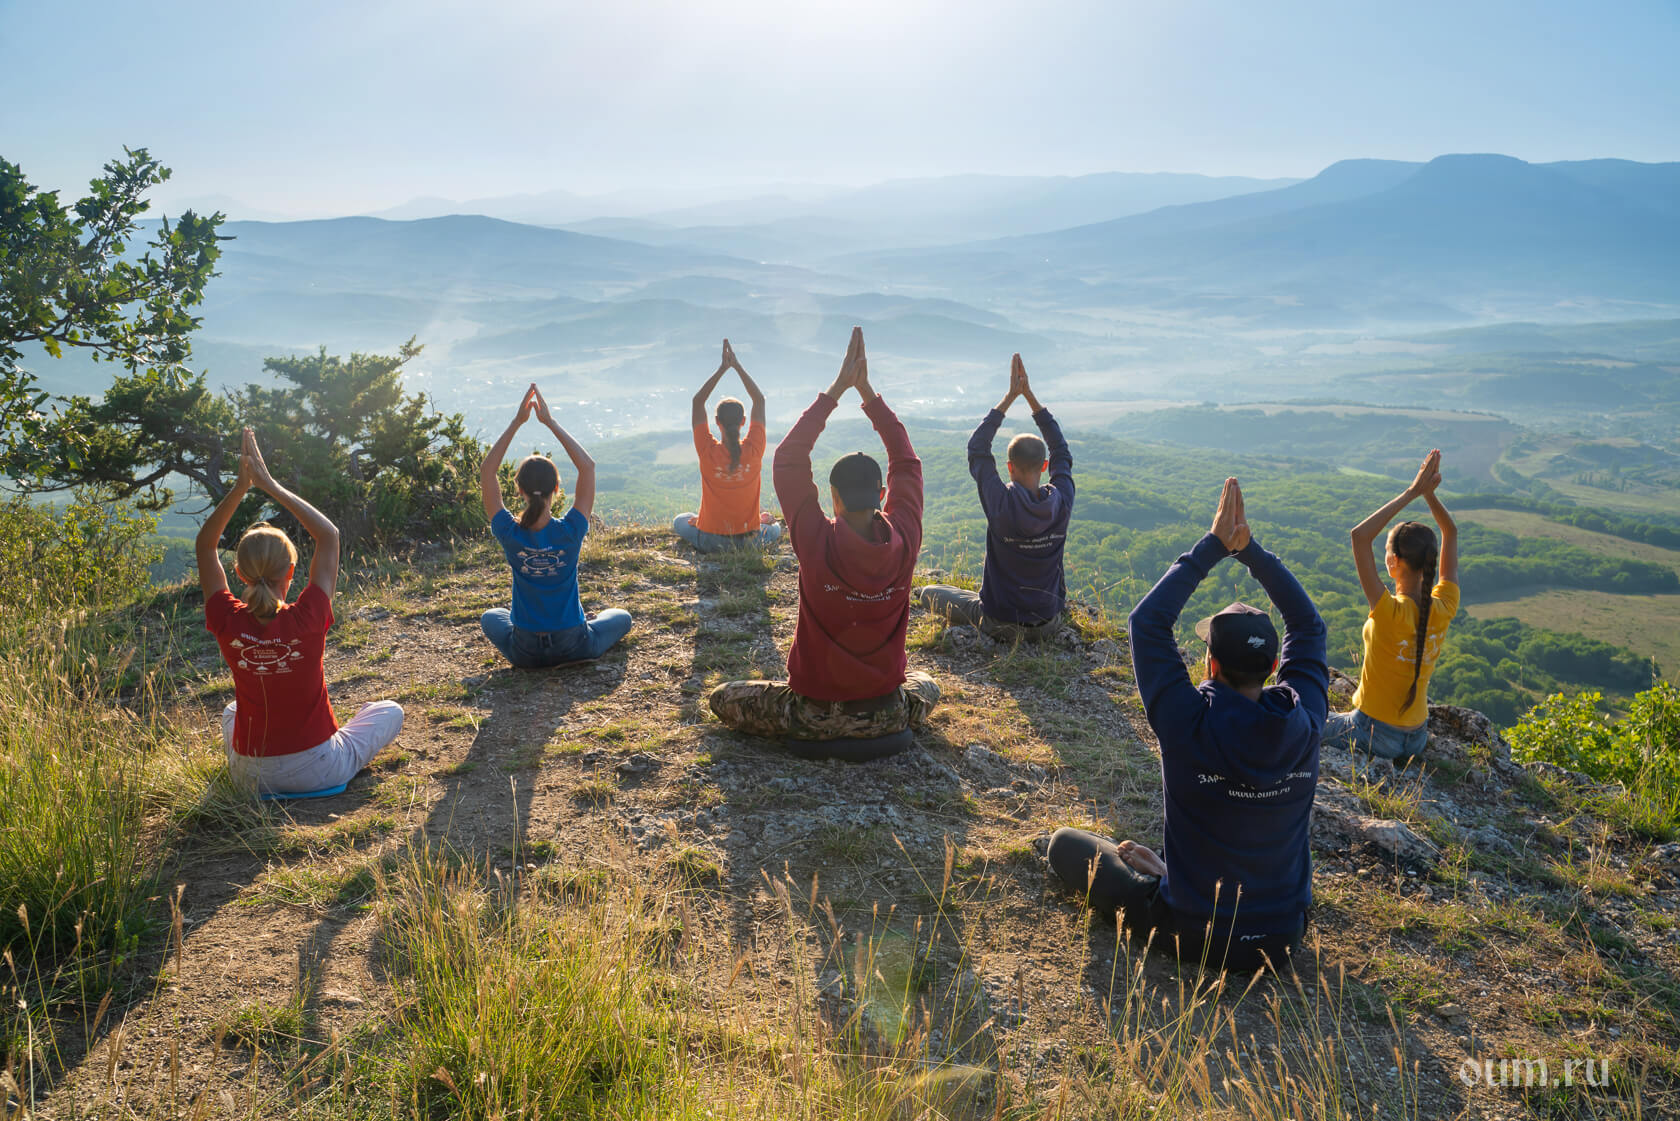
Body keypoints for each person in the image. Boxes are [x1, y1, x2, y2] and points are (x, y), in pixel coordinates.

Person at [1047, 479, 1326, 973]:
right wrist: (1251, 552)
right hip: (1283, 939)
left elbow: (1148, 622)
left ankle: (1171, 885)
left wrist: (1215, 545)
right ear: (1273, 665)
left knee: (1065, 845)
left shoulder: (1185, 720)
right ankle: (1174, 878)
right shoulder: (1306, 720)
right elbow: (1307, 626)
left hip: (1193, 933)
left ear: (1210, 666)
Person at [708, 327, 938, 748]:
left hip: (811, 713)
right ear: (882, 495)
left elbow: (790, 458)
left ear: (832, 498)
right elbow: (907, 463)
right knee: (927, 684)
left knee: (722, 697)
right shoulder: (905, 536)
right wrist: (868, 394)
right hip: (885, 715)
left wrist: (837, 389)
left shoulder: (816, 540)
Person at [196, 427, 405, 795]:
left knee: (232, 711)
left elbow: (206, 545)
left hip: (249, 776)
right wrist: (271, 485)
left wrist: (241, 488)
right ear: (292, 573)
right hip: (320, 768)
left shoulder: (228, 619)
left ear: (240, 574)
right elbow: (329, 536)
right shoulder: (307, 617)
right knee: (389, 710)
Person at [917, 353, 1074, 640]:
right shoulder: (1061, 502)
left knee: (928, 593)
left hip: (999, 623)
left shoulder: (1000, 503)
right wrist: (1031, 398)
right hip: (1049, 623)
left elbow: (978, 448)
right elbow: (1061, 450)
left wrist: (1010, 397)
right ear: (1044, 466)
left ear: (1009, 467)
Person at [478, 384, 632, 668]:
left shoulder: (508, 531)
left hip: (525, 650)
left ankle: (540, 657)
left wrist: (517, 423)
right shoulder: (570, 530)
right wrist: (549, 422)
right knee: (622, 616)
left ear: (519, 491)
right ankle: (583, 638)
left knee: (491, 617)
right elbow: (587, 466)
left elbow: (487, 471)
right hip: (573, 643)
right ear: (557, 489)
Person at [1323, 449, 1460, 763]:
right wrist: (1430, 496)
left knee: (1296, 716)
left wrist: (1413, 492)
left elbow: (1359, 537)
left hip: (1372, 732)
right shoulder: (1446, 604)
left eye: (1387, 551)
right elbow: (1450, 532)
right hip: (1416, 738)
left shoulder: (1388, 612)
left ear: (1394, 561)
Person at [673, 339, 783, 552]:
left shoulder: (707, 451)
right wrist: (737, 367)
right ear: (743, 422)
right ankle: (760, 520)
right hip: (749, 541)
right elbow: (759, 400)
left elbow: (698, 402)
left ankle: (704, 520)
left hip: (710, 541)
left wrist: (722, 369)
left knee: (680, 520)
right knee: (775, 527)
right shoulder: (754, 450)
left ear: (716, 422)